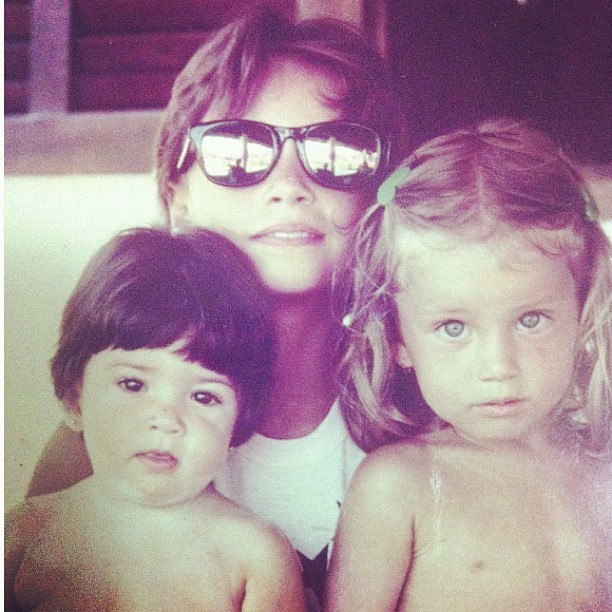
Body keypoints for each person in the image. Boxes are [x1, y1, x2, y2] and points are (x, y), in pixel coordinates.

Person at [25, 8, 409, 607]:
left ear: (374, 194)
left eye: (335, 150)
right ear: (176, 195)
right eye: (239, 149)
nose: (289, 185)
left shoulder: (425, 406)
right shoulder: (119, 418)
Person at [326, 119, 612, 610]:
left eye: (530, 319)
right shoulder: (399, 487)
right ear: (399, 339)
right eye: (454, 328)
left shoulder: (602, 471)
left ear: (582, 307)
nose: (498, 366)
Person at [5, 226, 306, 612]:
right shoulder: (23, 536)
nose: (166, 420)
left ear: (238, 423)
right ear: (75, 399)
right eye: (133, 384)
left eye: (203, 396)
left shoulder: (255, 556)